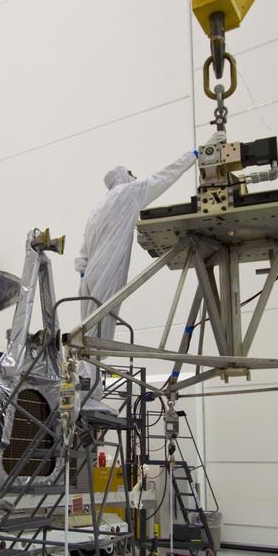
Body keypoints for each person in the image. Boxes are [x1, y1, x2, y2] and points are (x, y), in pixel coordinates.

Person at [74, 143, 203, 393]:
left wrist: (83, 274)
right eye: (131, 174)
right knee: (97, 338)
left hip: (88, 277)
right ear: (124, 177)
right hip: (107, 271)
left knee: (87, 333)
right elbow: (163, 177)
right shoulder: (128, 193)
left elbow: (82, 254)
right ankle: (88, 393)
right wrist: (193, 156)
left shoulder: (97, 209)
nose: (135, 177)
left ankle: (85, 388)